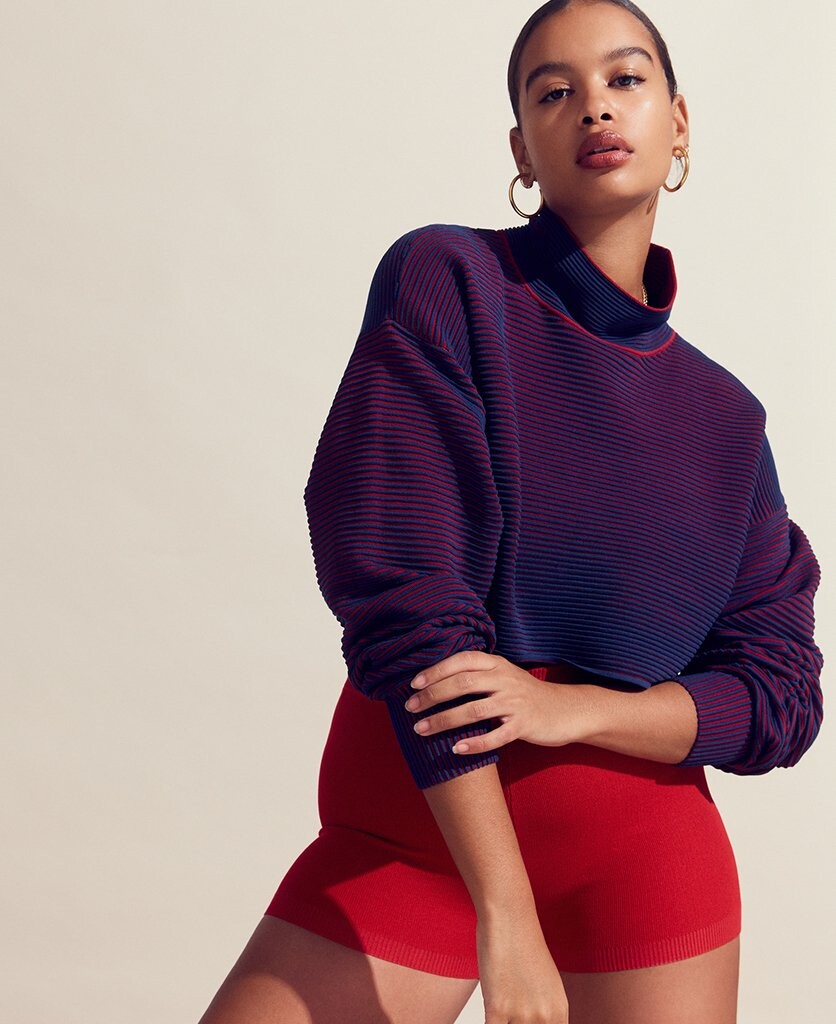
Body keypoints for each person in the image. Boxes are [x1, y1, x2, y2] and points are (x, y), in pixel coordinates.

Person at [197, 2, 824, 1022]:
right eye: (553, 90)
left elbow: (778, 694)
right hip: (416, 839)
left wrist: (576, 710)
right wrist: (507, 909)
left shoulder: (726, 422)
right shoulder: (450, 282)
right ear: (521, 150)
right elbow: (406, 603)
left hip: (643, 864)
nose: (594, 107)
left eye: (624, 79)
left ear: (677, 124)